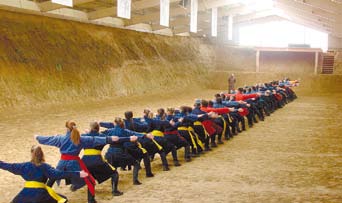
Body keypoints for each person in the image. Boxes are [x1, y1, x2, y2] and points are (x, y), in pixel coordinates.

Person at [35, 121, 126, 203]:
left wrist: (37, 137)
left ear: (67, 128)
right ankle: (91, 200)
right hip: (74, 164)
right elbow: (94, 140)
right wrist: (109, 139)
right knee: (90, 181)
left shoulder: (60, 138)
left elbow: (48, 139)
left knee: (52, 177)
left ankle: (43, 195)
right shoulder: (80, 139)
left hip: (62, 163)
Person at [0, 145, 88, 203]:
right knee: (62, 199)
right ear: (42, 154)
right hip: (41, 195)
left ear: (31, 154)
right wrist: (78, 173)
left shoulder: (23, 166)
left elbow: (8, 166)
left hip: (25, 194)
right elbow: (60, 174)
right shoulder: (45, 167)